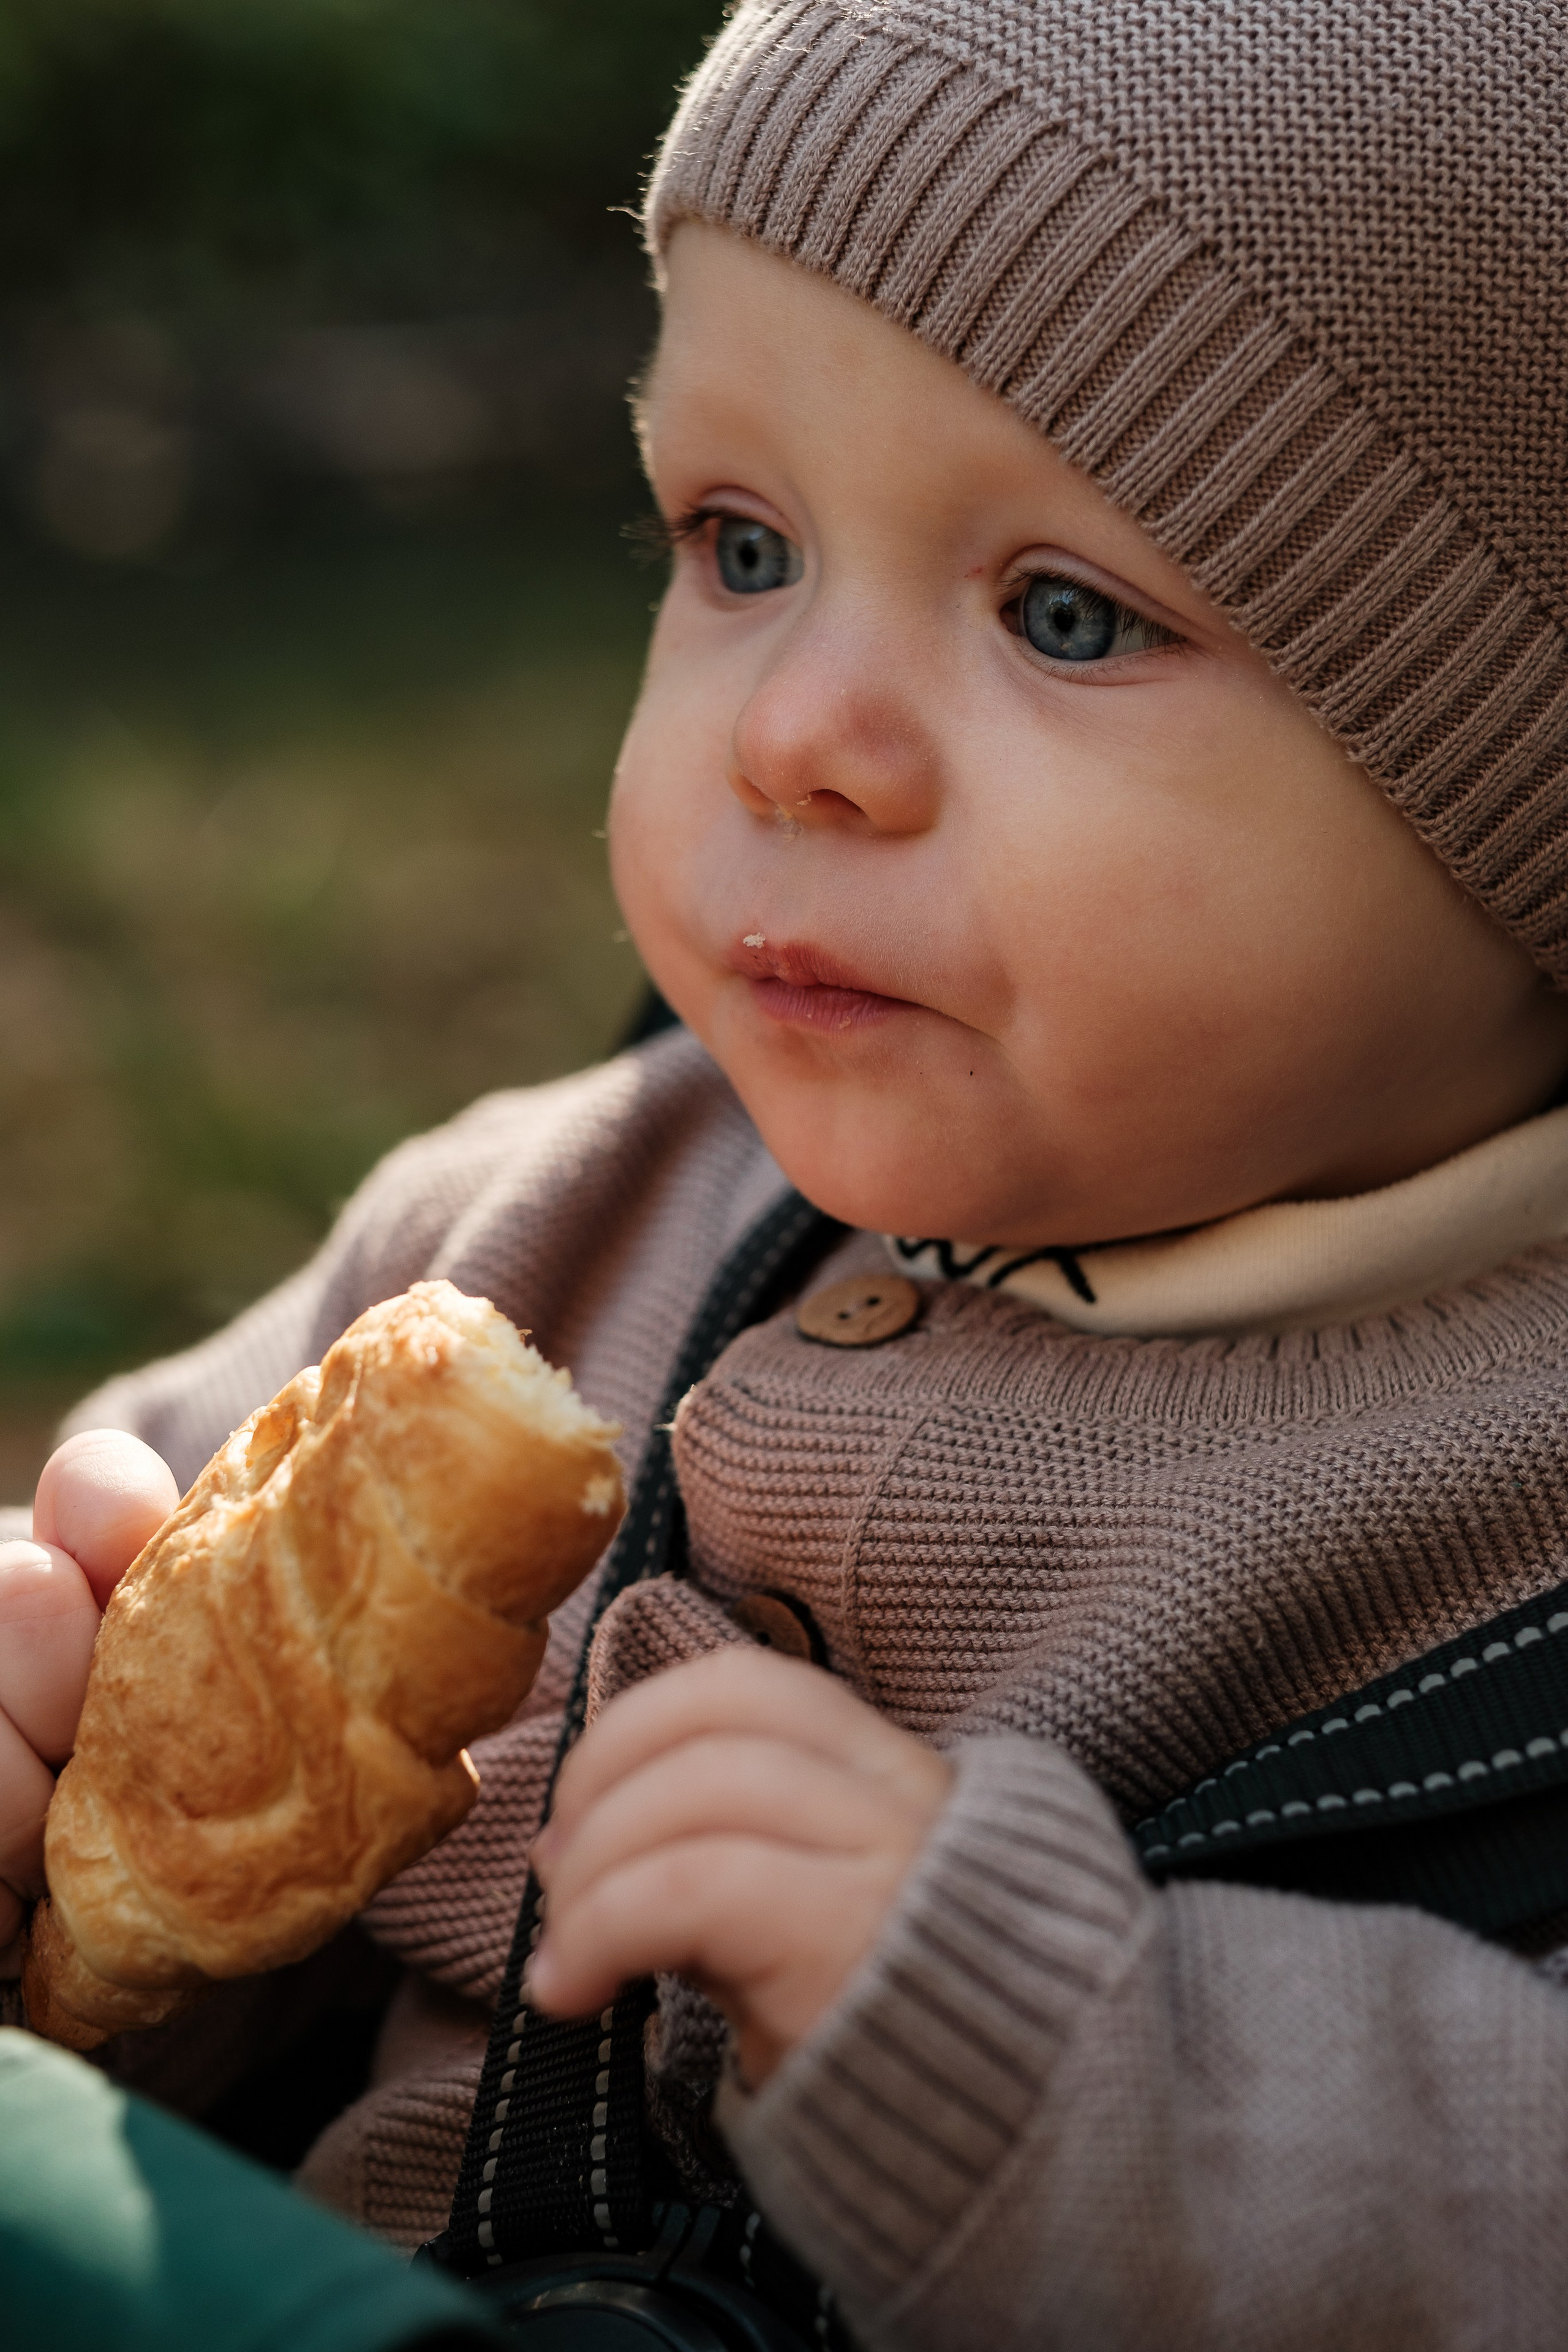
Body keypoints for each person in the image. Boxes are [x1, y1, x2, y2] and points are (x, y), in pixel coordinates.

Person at [5, 0, 1568, 2340]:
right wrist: (53, 1801)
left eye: (1067, 611)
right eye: (738, 543)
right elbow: (145, 1990)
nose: (794, 733)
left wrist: (1040, 2056)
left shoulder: (1503, 1519)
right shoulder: (528, 1240)